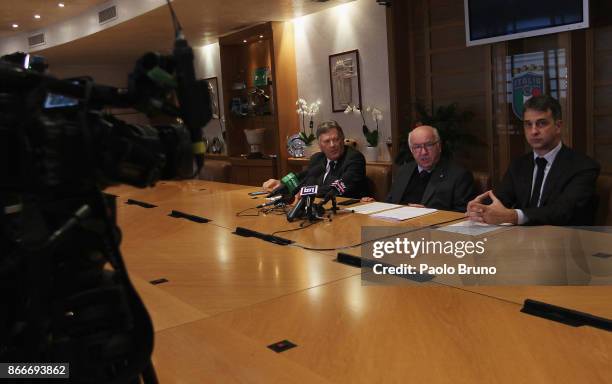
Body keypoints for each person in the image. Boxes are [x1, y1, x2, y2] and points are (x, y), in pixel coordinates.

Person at [466, 94, 600, 225]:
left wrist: (514, 216)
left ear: (558, 126)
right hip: (520, 240)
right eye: (528, 124)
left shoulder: (583, 166)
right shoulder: (519, 165)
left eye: (541, 123)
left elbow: (563, 211)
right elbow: (500, 199)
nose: (533, 131)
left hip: (565, 241)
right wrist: (480, 209)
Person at [362, 125, 475, 212]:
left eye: (429, 145)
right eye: (417, 147)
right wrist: (375, 205)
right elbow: (390, 202)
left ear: (439, 146)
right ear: (411, 150)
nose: (423, 152)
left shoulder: (459, 175)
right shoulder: (404, 170)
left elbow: (463, 215)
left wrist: (429, 214)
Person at [263, 120, 367, 198]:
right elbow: (303, 179)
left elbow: (339, 188)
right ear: (320, 145)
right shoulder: (317, 159)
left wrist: (306, 191)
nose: (332, 145)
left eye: (336, 139)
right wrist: (282, 183)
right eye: (327, 141)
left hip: (347, 211)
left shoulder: (354, 158)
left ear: (342, 139)